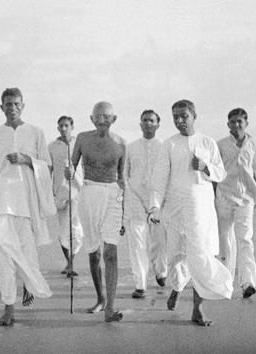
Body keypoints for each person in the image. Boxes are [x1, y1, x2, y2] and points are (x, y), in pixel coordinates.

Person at [149, 100, 233, 326]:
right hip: (175, 208)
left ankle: (198, 308)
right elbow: (159, 180)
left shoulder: (207, 142)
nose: (179, 120)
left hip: (201, 208)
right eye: (175, 116)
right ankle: (177, 288)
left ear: (194, 116)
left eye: (184, 116)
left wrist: (205, 166)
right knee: (176, 257)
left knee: (200, 255)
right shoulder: (169, 145)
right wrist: (154, 206)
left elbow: (221, 173)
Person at [0, 87, 54, 326]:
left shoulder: (36, 132)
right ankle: (8, 309)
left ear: (22, 105)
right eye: (7, 104)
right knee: (3, 254)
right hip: (1, 200)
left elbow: (48, 167)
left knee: (27, 251)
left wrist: (26, 160)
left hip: (26, 201)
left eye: (16, 104)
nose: (12, 108)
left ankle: (30, 284)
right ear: (1, 107)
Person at [65, 101, 125, 322]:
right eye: (98, 116)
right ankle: (100, 298)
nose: (102, 120)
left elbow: (122, 179)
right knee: (94, 252)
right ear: (91, 118)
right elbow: (72, 168)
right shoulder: (81, 138)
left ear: (114, 119)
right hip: (88, 193)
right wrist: (68, 172)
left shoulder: (121, 143)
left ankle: (110, 307)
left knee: (110, 252)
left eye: (106, 116)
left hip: (112, 196)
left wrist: (124, 209)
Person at [216, 108, 256, 299]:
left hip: (246, 199)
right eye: (232, 122)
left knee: (245, 239)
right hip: (224, 196)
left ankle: (248, 283)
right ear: (228, 124)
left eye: (239, 121)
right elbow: (214, 173)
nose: (236, 125)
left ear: (246, 123)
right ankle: (224, 282)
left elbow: (253, 173)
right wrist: (212, 198)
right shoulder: (220, 145)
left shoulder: (253, 146)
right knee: (225, 241)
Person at [124, 109, 168, 299]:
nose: (148, 123)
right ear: (140, 124)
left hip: (158, 201)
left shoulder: (164, 146)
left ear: (158, 124)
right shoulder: (131, 147)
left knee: (158, 242)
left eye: (151, 120)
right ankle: (140, 284)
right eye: (144, 120)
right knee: (137, 243)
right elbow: (125, 174)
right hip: (135, 199)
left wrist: (159, 201)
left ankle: (161, 271)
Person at [48, 116, 84, 277]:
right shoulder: (52, 147)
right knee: (63, 230)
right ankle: (68, 261)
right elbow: (48, 171)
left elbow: (87, 166)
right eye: (60, 126)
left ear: (72, 126)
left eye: (66, 125)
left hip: (78, 191)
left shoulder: (80, 144)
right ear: (57, 128)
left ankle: (72, 262)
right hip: (60, 192)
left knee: (77, 230)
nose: (63, 129)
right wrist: (48, 193)